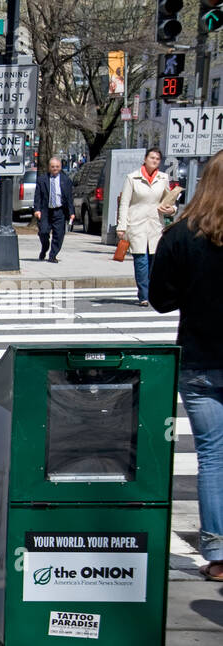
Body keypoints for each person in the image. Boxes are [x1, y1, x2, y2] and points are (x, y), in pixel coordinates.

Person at [150, 151, 223, 582]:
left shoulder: (180, 236)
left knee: (212, 457)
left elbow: (161, 299)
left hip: (198, 358)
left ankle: (217, 554)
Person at [117, 147, 178, 307]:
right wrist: (121, 225)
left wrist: (172, 210)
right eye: (152, 158)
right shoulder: (132, 178)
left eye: (158, 159)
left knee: (154, 261)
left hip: (154, 225)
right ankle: (144, 295)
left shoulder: (163, 178)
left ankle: (152, 292)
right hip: (136, 223)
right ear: (145, 159)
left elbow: (170, 200)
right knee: (141, 260)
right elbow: (124, 203)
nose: (155, 161)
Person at [32, 155, 74, 262]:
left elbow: (69, 197)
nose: (55, 168)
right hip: (46, 211)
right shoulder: (42, 180)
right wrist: (37, 209)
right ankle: (45, 247)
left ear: (60, 167)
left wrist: (71, 212)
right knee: (43, 232)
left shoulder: (66, 180)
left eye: (57, 166)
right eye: (53, 166)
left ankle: (52, 255)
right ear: (49, 167)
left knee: (59, 235)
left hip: (60, 211)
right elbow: (38, 196)